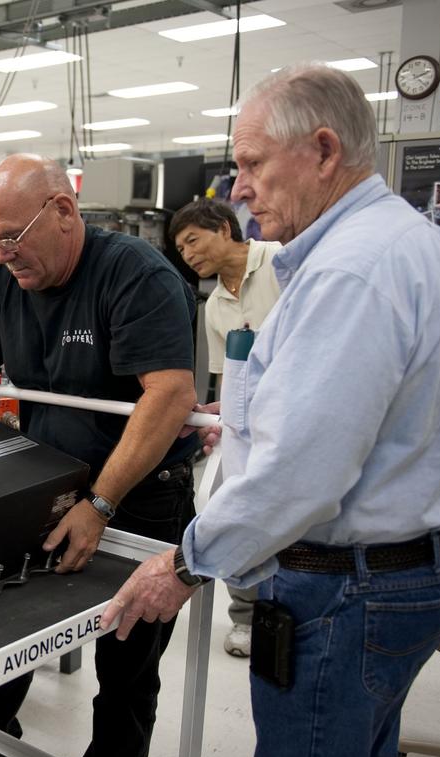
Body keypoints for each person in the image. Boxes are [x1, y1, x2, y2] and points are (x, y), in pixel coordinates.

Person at [104, 63, 440, 757]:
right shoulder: (417, 242)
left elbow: (301, 475)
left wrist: (184, 563)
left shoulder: (349, 272)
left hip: (346, 595)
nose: (237, 189)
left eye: (250, 164)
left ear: (321, 149)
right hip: (410, 572)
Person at [0, 154, 199, 757]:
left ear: (63, 212)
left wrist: (101, 504)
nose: (0, 256)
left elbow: (168, 394)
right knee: (6, 631)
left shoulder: (134, 275)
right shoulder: (1, 282)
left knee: (127, 653)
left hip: (139, 495)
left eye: (11, 239)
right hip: (46, 484)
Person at [169, 197, 282, 657]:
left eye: (193, 240)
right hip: (250, 429)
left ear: (223, 228)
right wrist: (212, 414)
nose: (189, 254)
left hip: (297, 419)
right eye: (180, 250)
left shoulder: (279, 260)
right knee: (230, 509)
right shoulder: (214, 306)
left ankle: (288, 610)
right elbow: (230, 380)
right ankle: (247, 618)